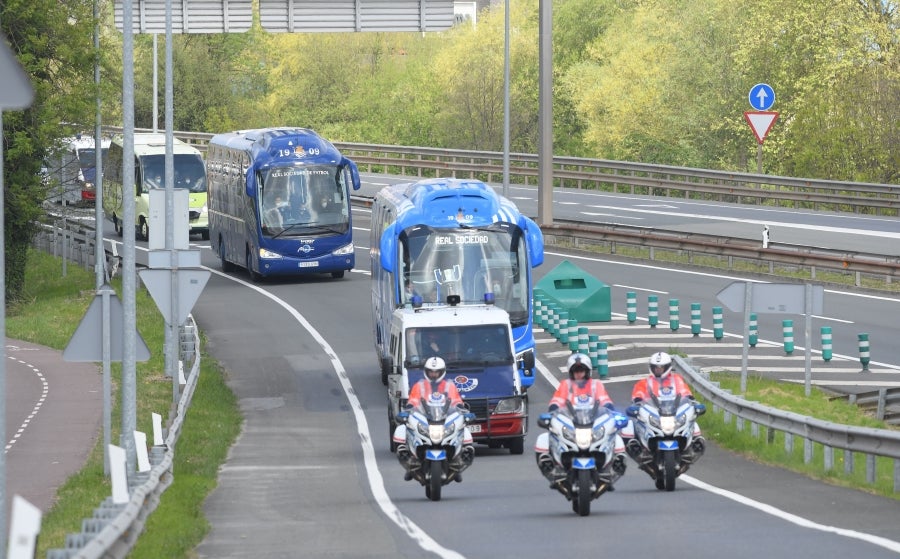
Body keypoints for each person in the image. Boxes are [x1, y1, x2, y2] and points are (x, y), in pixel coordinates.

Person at [537, 353, 627, 486]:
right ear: (571, 372)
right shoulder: (565, 385)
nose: (579, 374)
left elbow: (605, 401)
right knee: (545, 438)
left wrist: (610, 411)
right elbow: (556, 402)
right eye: (575, 371)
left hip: (592, 423)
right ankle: (553, 469)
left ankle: (612, 466)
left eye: (581, 371)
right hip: (572, 424)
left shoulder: (596, 385)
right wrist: (552, 413)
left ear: (587, 371)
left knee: (614, 436)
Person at [624, 351, 706, 462]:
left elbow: (686, 394)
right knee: (630, 425)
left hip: (673, 413)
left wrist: (695, 403)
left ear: (667, 367)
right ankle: (640, 449)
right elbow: (637, 396)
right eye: (655, 367)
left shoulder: (676, 380)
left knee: (693, 422)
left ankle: (692, 446)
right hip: (654, 415)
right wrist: (636, 405)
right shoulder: (644, 383)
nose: (658, 370)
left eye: (661, 367)